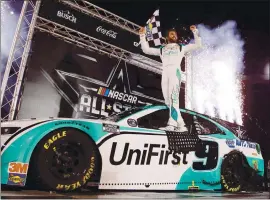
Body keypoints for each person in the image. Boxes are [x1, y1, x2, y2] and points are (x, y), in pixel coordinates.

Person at [139, 25, 202, 132]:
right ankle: (181, 126)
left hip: (175, 73)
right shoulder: (162, 49)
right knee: (168, 102)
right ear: (167, 37)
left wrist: (195, 31)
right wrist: (142, 35)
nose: (174, 35)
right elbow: (146, 50)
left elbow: (198, 45)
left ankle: (172, 125)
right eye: (172, 34)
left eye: (175, 34)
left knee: (174, 99)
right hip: (165, 73)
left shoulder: (182, 47)